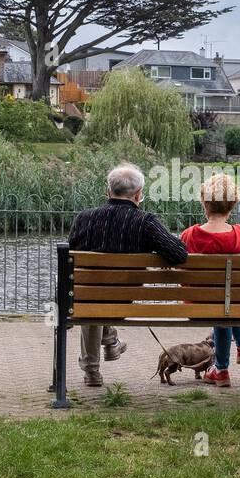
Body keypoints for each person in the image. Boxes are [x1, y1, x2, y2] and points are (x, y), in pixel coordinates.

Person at [68, 162, 187, 387]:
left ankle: (93, 369)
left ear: (108, 191)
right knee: (100, 301)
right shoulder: (145, 222)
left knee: (92, 300)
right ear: (138, 195)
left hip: (86, 297)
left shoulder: (84, 218)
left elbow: (70, 253)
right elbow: (179, 253)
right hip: (124, 301)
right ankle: (110, 340)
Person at [180, 173, 240, 388]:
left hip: (197, 305)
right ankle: (239, 351)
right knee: (227, 305)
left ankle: (222, 368)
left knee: (223, 306)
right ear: (232, 205)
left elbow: (178, 270)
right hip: (233, 304)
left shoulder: (189, 235)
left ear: (204, 203)